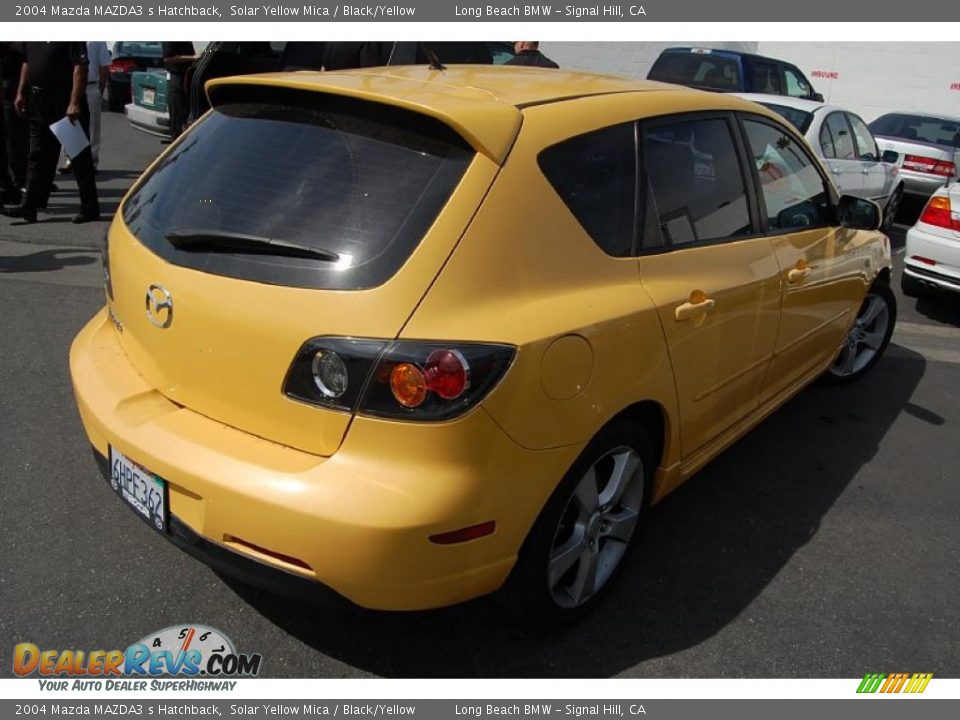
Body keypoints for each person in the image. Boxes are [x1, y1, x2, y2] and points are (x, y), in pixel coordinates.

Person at [1, 41, 100, 224]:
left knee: (78, 156)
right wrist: (21, 92)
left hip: (64, 101)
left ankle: (90, 207)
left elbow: (80, 67)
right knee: (37, 155)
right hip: (38, 101)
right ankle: (29, 206)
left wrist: (74, 102)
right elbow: (27, 63)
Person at [60, 41, 110, 173]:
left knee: (93, 127)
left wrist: (101, 86)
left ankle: (92, 161)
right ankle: (71, 158)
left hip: (91, 85)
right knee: (70, 124)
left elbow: (103, 65)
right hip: (72, 87)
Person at [0, 42, 27, 204]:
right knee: (11, 138)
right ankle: (13, 184)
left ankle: (17, 182)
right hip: (8, 85)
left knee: (16, 137)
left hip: (12, 86)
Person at [161, 41, 195, 139]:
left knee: (187, 119)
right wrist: (193, 58)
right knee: (178, 123)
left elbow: (206, 50)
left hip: (189, 78)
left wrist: (207, 52)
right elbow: (168, 58)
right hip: (178, 80)